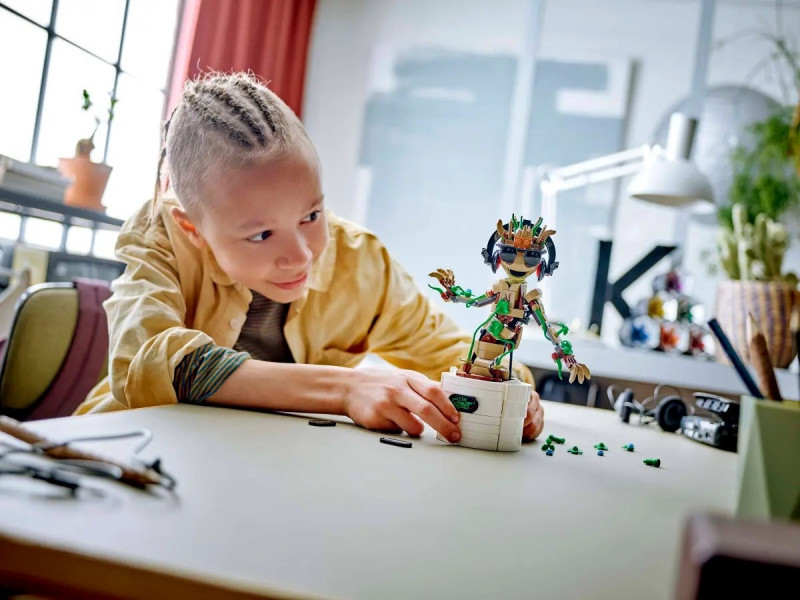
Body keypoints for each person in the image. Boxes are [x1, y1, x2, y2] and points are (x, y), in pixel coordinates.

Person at [75, 72, 544, 443]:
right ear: (193, 230)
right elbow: (150, 361)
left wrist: (511, 389)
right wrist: (344, 388)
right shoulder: (159, 231)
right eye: (261, 234)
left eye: (311, 215)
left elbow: (452, 351)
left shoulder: (361, 262)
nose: (301, 256)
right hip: (124, 452)